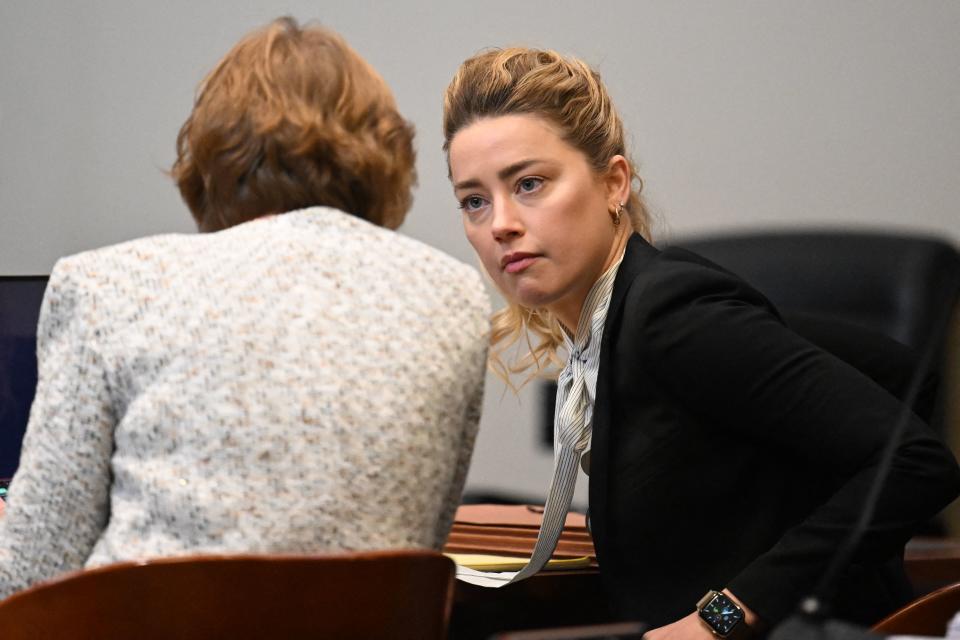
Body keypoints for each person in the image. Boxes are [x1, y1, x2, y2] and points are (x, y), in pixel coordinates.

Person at [442, 47, 960, 635]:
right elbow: (889, 368)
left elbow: (916, 460)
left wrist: (721, 618)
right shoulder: (611, 322)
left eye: (530, 183)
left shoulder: (670, 316)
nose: (500, 223)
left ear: (613, 184)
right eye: (474, 201)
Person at [0, 17, 490, 600]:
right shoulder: (453, 296)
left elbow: (30, 578)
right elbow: (417, 547)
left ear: (211, 153)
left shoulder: (105, 285)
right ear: (385, 152)